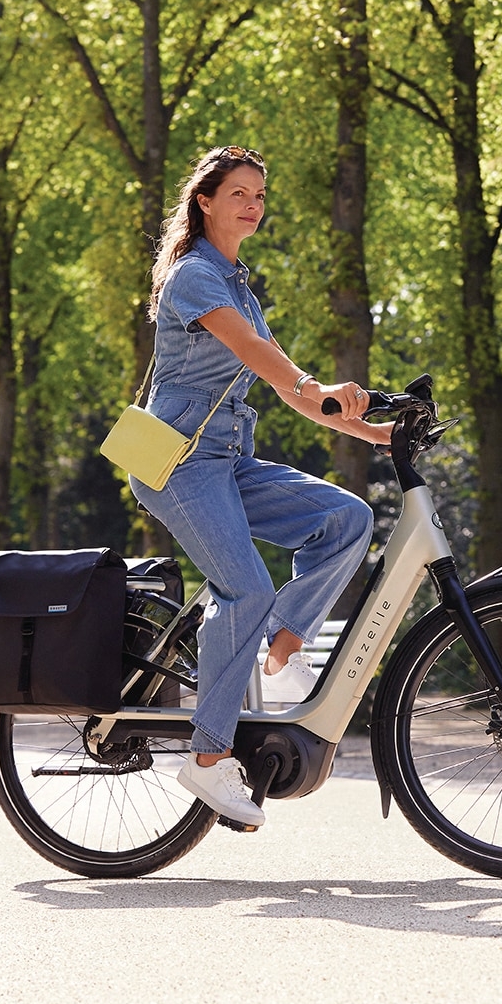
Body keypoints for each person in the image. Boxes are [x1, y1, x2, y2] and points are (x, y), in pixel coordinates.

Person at [131, 146, 391, 829]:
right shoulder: (194, 275)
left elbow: (290, 389)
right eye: (238, 193)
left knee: (345, 519)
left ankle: (281, 643)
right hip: (178, 464)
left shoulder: (240, 288)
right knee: (244, 589)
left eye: (259, 196)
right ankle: (208, 756)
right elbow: (254, 353)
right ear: (205, 202)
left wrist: (377, 434)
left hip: (226, 461)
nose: (252, 205)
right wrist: (314, 383)